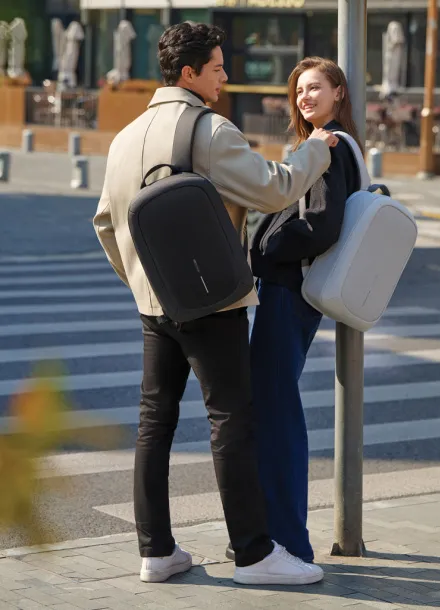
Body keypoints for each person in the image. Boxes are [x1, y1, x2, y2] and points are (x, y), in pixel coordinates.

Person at [93, 24, 337, 586]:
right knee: (232, 420)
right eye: (218, 69)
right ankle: (254, 554)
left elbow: (106, 221)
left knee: (154, 422)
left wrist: (141, 279)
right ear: (190, 74)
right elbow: (275, 188)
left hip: (155, 303)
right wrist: (313, 154)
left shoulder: (126, 135)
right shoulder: (208, 129)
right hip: (211, 302)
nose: (224, 79)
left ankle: (156, 552)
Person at [250, 57, 362, 571]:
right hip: (293, 287)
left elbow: (319, 225)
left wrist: (264, 249)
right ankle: (279, 534)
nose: (304, 98)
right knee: (274, 407)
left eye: (315, 88)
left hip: (288, 287)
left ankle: (288, 542)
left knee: (274, 411)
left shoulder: (329, 146)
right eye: (298, 91)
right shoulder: (326, 142)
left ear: (339, 92)